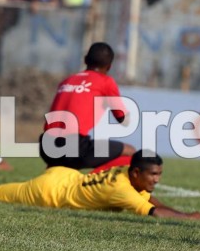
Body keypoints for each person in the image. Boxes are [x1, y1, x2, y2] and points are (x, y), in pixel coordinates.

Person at [0, 149, 200, 220]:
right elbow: (153, 212)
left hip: (63, 175)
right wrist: (186, 216)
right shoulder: (122, 189)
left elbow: (151, 201)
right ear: (136, 173)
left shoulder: (125, 174)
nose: (156, 180)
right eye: (152, 175)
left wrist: (173, 209)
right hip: (47, 192)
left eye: (159, 175)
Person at [40, 42, 136, 170]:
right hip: (75, 147)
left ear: (85, 60)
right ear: (109, 66)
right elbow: (123, 120)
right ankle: (95, 184)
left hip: (46, 145)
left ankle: (50, 178)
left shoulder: (67, 80)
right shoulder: (106, 82)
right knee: (130, 151)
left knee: (59, 167)